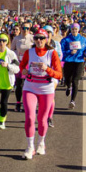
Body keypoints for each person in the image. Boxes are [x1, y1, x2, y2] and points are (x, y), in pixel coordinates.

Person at [20, 29, 62, 159]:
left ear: (47, 39)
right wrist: (24, 71)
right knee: (30, 117)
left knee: (42, 119)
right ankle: (30, 146)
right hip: (30, 87)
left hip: (46, 89)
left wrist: (47, 69)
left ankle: (41, 143)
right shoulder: (29, 52)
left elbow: (59, 74)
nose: (39, 41)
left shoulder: (52, 53)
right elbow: (22, 66)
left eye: (42, 38)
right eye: (37, 38)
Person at [60, 23, 86, 109]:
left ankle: (72, 101)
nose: (74, 31)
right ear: (70, 30)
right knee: (68, 79)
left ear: (78, 30)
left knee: (75, 80)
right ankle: (68, 86)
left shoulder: (83, 39)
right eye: (73, 29)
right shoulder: (65, 40)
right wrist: (69, 52)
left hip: (79, 61)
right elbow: (61, 51)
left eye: (76, 29)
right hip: (68, 61)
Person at [10, 22, 33, 113]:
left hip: (30, 63)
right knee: (19, 84)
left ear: (29, 29)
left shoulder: (32, 38)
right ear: (21, 28)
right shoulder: (16, 38)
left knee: (28, 84)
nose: (25, 30)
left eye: (27, 28)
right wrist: (16, 56)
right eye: (23, 28)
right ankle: (18, 102)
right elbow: (12, 50)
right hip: (20, 63)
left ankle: (27, 103)